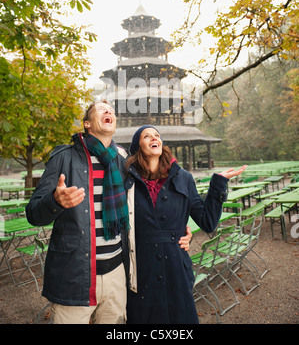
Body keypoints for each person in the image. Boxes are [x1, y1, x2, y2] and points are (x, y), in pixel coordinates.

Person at [25, 100, 191, 324]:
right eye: (102, 110)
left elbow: (146, 206)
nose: (109, 112)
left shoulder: (124, 163)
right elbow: (33, 214)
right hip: (75, 274)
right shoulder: (64, 158)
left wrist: (178, 231)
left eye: (111, 111)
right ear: (87, 124)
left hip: (116, 274)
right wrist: (55, 201)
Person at [124, 125, 247, 324]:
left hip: (176, 266)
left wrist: (218, 184)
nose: (154, 138)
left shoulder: (184, 178)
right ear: (138, 146)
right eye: (147, 136)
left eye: (157, 135)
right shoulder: (127, 180)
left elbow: (207, 222)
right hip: (140, 267)